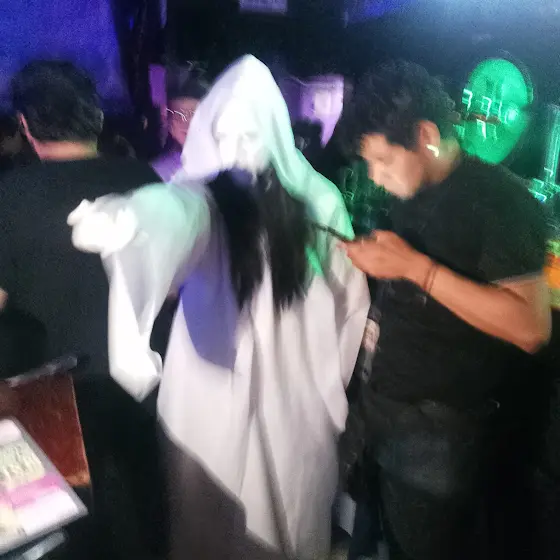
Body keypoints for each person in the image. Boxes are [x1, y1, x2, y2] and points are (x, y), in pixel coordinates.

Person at [68, 55, 370, 560]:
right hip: (233, 399)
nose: (238, 148)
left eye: (249, 133)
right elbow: (173, 215)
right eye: (226, 134)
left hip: (280, 401)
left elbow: (348, 301)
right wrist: (131, 220)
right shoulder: (206, 198)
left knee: (273, 520)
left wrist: (324, 385)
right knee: (229, 521)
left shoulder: (318, 199)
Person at [337, 60, 551, 560]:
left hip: (437, 442)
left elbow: (530, 326)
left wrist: (416, 268)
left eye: (383, 161)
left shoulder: (504, 202)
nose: (376, 177)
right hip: (382, 418)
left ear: (426, 136)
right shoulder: (414, 190)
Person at [0, 60, 162, 560]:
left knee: (68, 533)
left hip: (51, 399)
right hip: (146, 385)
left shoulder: (11, 196)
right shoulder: (146, 180)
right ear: (96, 116)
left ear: (25, 125)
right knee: (145, 513)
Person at [151, 75, 208, 182]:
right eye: (178, 115)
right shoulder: (161, 172)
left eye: (194, 114)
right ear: (170, 126)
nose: (187, 122)